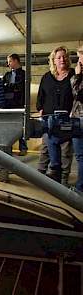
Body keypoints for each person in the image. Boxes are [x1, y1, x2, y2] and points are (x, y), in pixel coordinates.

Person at [36, 46, 74, 184]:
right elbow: (40, 97)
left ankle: (63, 181)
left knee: (65, 151)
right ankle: (39, 178)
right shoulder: (47, 77)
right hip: (48, 120)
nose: (62, 59)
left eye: (64, 57)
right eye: (59, 57)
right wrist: (40, 110)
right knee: (45, 150)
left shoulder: (73, 75)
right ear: (53, 60)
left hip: (67, 120)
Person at [3, 53, 28, 156]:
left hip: (19, 104)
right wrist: (12, 87)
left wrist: (10, 86)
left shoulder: (24, 74)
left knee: (21, 126)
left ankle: (23, 148)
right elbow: (3, 88)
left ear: (16, 61)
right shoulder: (7, 75)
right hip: (8, 104)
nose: (8, 64)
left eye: (10, 61)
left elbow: (20, 88)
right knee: (8, 127)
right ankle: (9, 148)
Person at [70, 45, 83, 192]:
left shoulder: (79, 75)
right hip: (76, 118)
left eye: (80, 58)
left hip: (81, 118)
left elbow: (78, 95)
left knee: (80, 156)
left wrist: (78, 75)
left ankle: (80, 189)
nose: (79, 61)